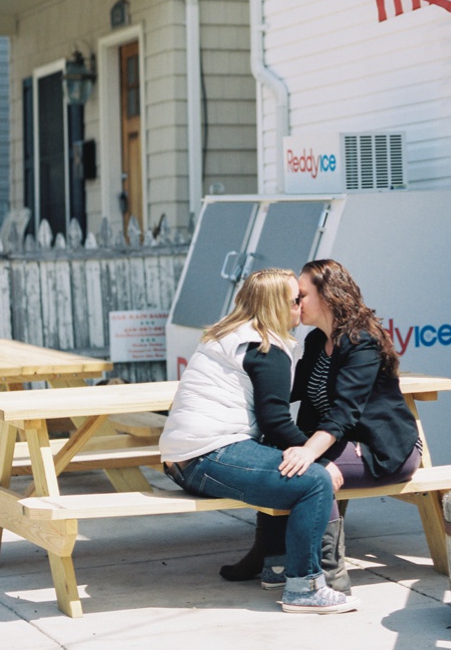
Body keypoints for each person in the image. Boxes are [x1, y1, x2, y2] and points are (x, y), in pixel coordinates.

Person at [159, 267, 355, 615]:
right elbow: (276, 422)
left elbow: (272, 423)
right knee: (313, 481)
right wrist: (320, 459)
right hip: (207, 456)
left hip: (185, 459)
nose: (301, 306)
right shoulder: (265, 348)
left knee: (287, 465)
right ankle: (304, 587)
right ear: (278, 305)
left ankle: (276, 569)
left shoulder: (228, 335)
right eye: (296, 300)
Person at [221, 259, 421, 592]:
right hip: (342, 442)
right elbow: (293, 394)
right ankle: (273, 559)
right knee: (277, 459)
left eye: (301, 296)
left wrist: (311, 453)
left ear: (328, 297)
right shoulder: (316, 341)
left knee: (305, 472)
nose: (295, 304)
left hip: (382, 448)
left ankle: (330, 573)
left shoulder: (362, 341)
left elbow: (345, 411)